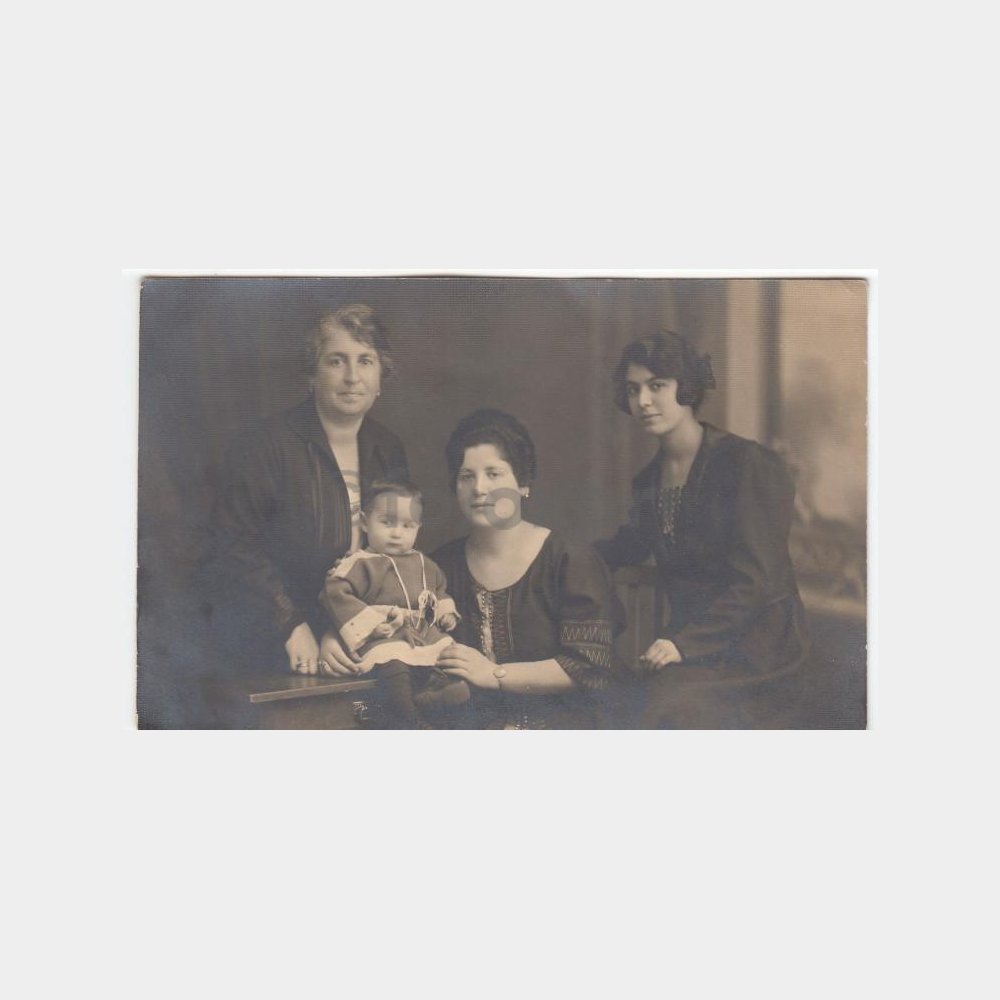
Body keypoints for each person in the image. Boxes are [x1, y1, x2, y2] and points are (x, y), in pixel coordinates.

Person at [595, 330, 810, 728]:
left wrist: (683, 644)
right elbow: (628, 545)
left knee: (669, 711)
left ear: (687, 387)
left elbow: (757, 581)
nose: (643, 401)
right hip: (688, 648)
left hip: (759, 651)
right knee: (615, 702)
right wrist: (553, 554)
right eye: (632, 390)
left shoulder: (746, 465)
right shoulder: (648, 481)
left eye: (656, 386)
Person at [204, 303, 408, 680]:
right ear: (312, 375)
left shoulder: (388, 449)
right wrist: (291, 625)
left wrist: (345, 629)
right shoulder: (263, 446)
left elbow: (390, 553)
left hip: (359, 638)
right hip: (276, 642)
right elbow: (232, 548)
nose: (352, 377)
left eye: (365, 361)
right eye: (336, 361)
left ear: (381, 376)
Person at [432, 409, 623, 729]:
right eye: (466, 476)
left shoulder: (568, 560)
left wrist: (493, 674)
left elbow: (588, 666)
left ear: (522, 483)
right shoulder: (439, 566)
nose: (479, 488)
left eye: (494, 474)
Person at [319, 480, 467, 725]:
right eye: (387, 523)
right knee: (393, 661)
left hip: (422, 632)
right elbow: (335, 593)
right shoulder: (359, 563)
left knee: (449, 654)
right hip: (384, 633)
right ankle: (408, 717)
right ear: (365, 522)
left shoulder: (424, 563)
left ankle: (433, 695)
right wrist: (371, 625)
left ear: (418, 528)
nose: (397, 533)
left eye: (407, 526)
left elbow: (438, 590)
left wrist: (446, 612)